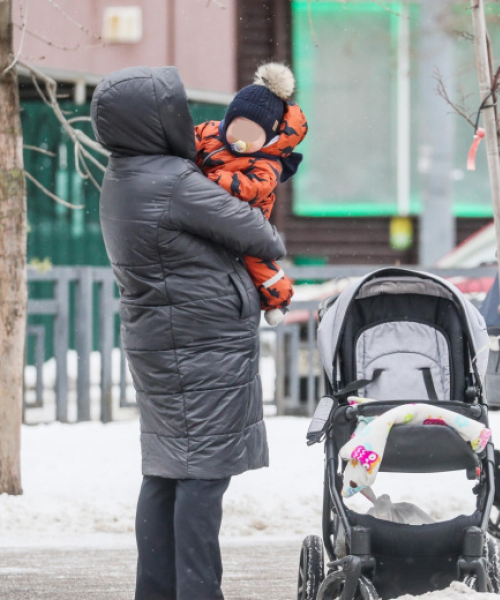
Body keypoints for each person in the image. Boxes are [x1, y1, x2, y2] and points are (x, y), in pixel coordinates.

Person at [91, 66, 286, 600]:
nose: (187, 120)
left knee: (166, 473)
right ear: (154, 120)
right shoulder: (174, 181)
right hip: (201, 346)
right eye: (176, 111)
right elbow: (262, 237)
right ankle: (199, 593)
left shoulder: (123, 175)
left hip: (162, 341)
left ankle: (156, 591)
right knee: (202, 476)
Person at [195, 62, 308, 326]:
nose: (240, 139)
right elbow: (190, 140)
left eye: (251, 135)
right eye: (238, 129)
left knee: (256, 258)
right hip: (211, 204)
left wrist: (218, 180)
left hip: (248, 214)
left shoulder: (266, 163)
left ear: (266, 139)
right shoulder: (210, 132)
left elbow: (254, 189)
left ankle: (278, 300)